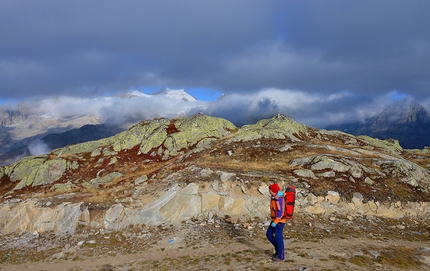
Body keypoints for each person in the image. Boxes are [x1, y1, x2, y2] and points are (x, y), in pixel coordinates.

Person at [266, 183, 286, 262]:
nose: (269, 191)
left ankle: (281, 256)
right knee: (268, 234)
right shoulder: (274, 197)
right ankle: (278, 249)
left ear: (273, 190)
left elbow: (280, 212)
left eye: (270, 190)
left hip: (279, 221)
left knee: (278, 238)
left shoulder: (279, 199)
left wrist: (276, 221)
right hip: (274, 220)